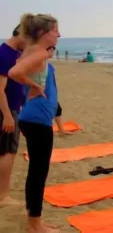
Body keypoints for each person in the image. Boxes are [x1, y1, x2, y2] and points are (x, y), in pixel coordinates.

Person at [8, 13, 61, 233]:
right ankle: (35, 224)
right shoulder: (38, 52)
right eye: (55, 30)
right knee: (39, 172)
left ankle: (34, 219)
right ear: (42, 33)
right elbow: (14, 72)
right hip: (38, 117)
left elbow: (19, 67)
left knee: (36, 171)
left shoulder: (30, 51)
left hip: (32, 116)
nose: (59, 34)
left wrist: (31, 84)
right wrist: (35, 86)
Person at [0, 25, 26, 207]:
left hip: (11, 108)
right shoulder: (6, 54)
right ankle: (3, 196)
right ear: (21, 34)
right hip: (7, 109)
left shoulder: (12, 53)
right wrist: (7, 115)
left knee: (5, 151)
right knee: (8, 152)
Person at [47, 46, 72, 136]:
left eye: (53, 51)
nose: (52, 53)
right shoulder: (42, 65)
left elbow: (52, 81)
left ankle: (61, 130)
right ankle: (60, 130)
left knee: (58, 110)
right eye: (51, 51)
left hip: (51, 94)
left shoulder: (49, 66)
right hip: (45, 95)